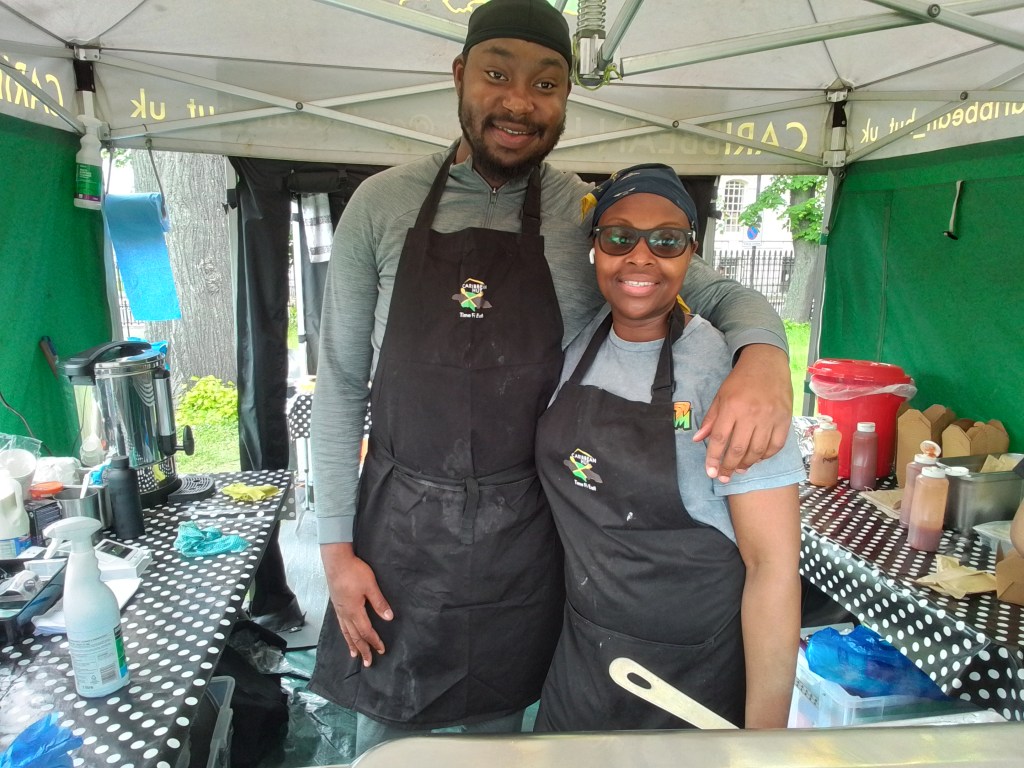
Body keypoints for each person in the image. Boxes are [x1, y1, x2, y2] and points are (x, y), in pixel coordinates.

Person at [308, 0, 794, 753]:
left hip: (526, 544)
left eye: (545, 84)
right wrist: (336, 552)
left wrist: (764, 357)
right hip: (399, 537)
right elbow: (341, 382)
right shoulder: (381, 205)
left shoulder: (587, 216)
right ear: (460, 75)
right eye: (497, 75)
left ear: (566, 97)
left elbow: (719, 292)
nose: (519, 102)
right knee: (392, 746)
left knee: (510, 743)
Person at [534, 164, 803, 732]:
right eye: (619, 237)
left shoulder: (731, 379)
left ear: (690, 253)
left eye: (666, 240)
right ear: (594, 248)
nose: (640, 257)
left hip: (691, 684)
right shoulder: (572, 345)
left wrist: (766, 742)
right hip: (581, 666)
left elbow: (773, 568)